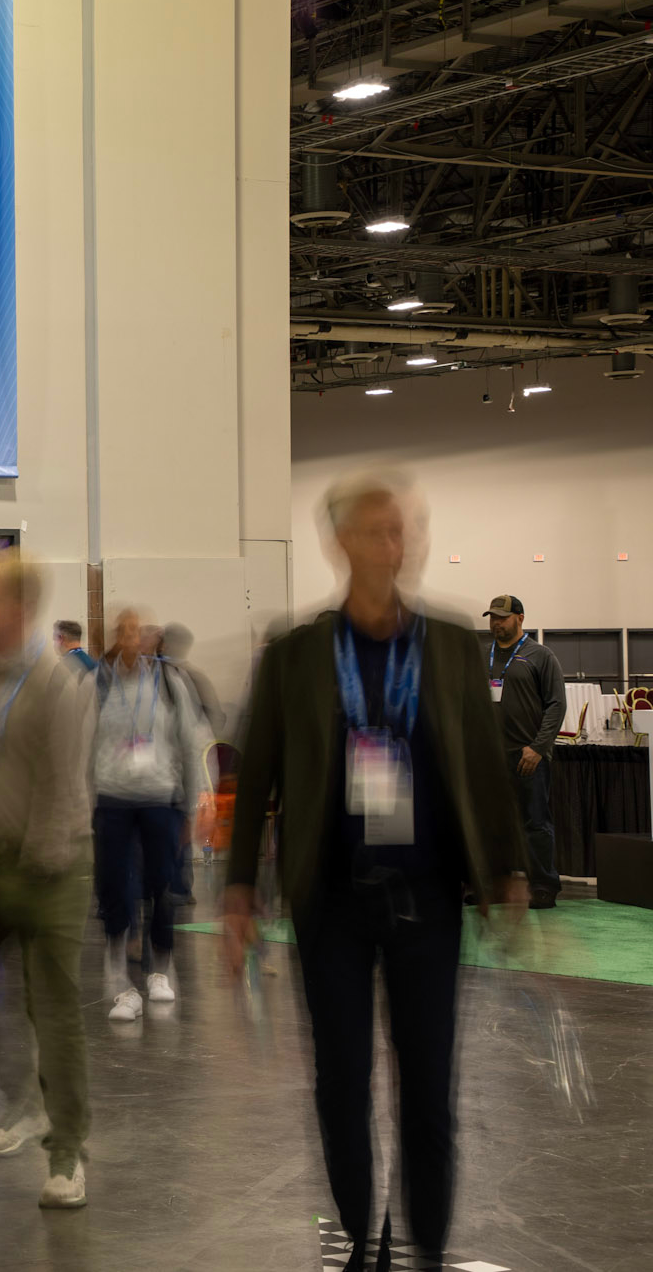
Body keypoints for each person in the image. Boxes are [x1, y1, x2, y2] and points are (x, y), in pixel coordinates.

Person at [224, 471, 527, 1271]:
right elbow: (256, 775)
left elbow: (486, 769)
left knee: (429, 1088)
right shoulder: (296, 653)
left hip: (429, 902)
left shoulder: (456, 644)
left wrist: (508, 870)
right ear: (340, 542)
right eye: (377, 532)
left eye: (402, 532)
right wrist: (238, 889)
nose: (394, 547)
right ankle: (361, 1234)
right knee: (341, 1083)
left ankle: (428, 1242)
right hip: (331, 905)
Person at [0, 549, 97, 1209]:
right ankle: (25, 1102)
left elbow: (65, 795)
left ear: (18, 608)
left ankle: (68, 1148)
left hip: (52, 866)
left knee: (54, 1006)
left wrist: (29, 877)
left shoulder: (56, 682)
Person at [91, 608, 209, 1021]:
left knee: (163, 887)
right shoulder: (98, 684)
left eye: (135, 630)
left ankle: (160, 970)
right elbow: (78, 745)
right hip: (112, 801)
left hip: (160, 798)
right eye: (122, 631)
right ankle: (122, 985)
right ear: (114, 637)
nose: (130, 637)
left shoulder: (168, 682)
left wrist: (195, 802)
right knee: (116, 892)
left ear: (146, 639)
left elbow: (188, 743)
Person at [481, 595, 566, 910]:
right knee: (490, 823)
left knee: (535, 824)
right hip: (490, 759)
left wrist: (538, 748)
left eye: (502, 617)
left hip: (528, 756)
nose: (496, 623)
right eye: (492, 617)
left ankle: (543, 885)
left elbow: (556, 705)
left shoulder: (540, 656)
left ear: (520, 618)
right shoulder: (483, 655)